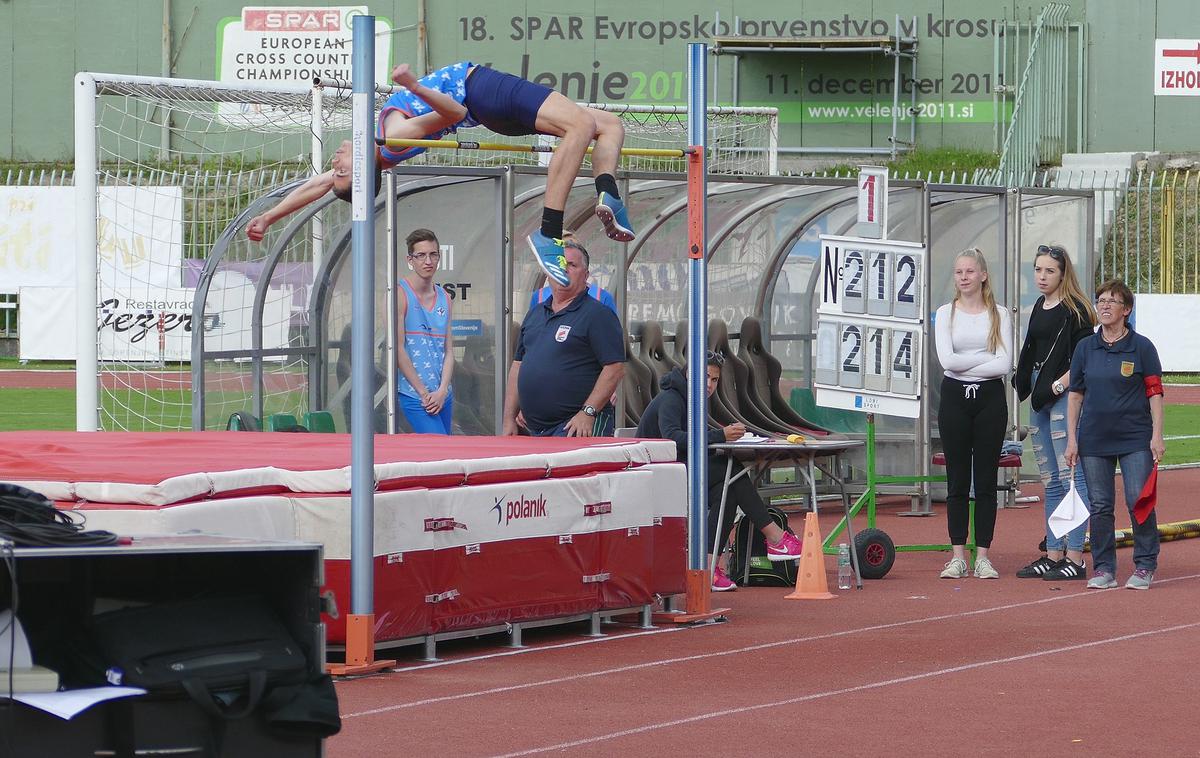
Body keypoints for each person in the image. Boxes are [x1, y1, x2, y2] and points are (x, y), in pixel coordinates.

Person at [246, 62, 635, 287]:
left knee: (609, 125)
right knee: (580, 127)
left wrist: (270, 216)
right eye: (340, 170)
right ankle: (550, 230)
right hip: (479, 91)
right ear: (359, 169)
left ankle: (607, 193)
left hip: (487, 103)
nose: (334, 162)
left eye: (335, 171)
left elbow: (318, 186)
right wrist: (414, 85)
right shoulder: (393, 138)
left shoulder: (381, 151)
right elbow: (455, 115)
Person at [636, 351, 803, 591]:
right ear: (689, 373)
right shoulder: (672, 399)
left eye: (714, 380)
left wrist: (738, 438)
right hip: (659, 476)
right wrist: (720, 435)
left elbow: (699, 437)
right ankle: (775, 537)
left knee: (728, 488)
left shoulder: (693, 400)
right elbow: (672, 438)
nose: (709, 385)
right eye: (705, 377)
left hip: (678, 471)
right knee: (730, 472)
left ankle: (707, 567)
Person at [1065, 279, 1165, 590]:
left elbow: (1155, 393)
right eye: (1101, 300)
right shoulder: (1085, 348)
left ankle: (1145, 564)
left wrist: (1157, 435)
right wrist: (1072, 438)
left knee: (1139, 500)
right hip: (1094, 439)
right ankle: (1104, 568)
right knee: (1100, 505)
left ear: (1127, 309)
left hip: (1135, 437)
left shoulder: (1142, 347)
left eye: (1112, 301)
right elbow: (1075, 395)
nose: (1105, 305)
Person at [1013, 244, 1097, 581]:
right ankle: (1053, 552)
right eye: (1038, 270)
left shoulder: (1077, 310)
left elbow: (1081, 359)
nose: (1042, 277)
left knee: (1071, 477)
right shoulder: (1038, 305)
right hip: (1040, 395)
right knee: (1050, 481)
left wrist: (1059, 387)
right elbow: (1032, 347)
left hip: (1064, 394)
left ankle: (1075, 556)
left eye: (1049, 270)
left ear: (1063, 273)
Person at [934, 248, 1013, 580]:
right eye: (958, 272)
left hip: (990, 400)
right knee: (956, 480)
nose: (963, 277)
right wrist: (984, 360)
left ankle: (983, 555)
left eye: (969, 271)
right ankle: (957, 556)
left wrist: (975, 365)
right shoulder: (945, 313)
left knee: (984, 481)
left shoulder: (1000, 314)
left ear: (982, 275)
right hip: (954, 398)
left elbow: (1005, 364)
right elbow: (947, 362)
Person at [502, 238, 624, 437]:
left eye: (572, 265)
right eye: (559, 265)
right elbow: (518, 365)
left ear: (586, 275)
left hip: (575, 427)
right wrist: (509, 418)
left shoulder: (597, 314)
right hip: (531, 429)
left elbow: (615, 368)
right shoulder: (535, 313)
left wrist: (588, 412)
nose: (564, 270)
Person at [394, 228, 454, 434]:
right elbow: (398, 350)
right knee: (440, 451)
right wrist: (423, 392)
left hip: (442, 394)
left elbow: (449, 351)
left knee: (448, 458)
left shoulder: (445, 297)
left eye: (433, 254)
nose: (428, 261)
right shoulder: (399, 294)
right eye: (421, 255)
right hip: (416, 395)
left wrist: (443, 390)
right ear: (410, 259)